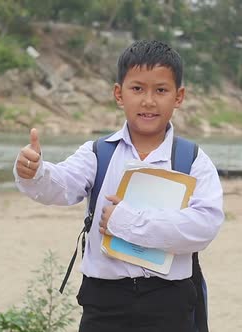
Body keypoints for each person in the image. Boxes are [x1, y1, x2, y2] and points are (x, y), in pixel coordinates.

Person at [14, 40, 224, 332]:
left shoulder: (192, 160)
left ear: (179, 96)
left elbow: (203, 227)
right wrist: (34, 172)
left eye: (161, 90)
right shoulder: (99, 153)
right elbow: (61, 185)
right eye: (137, 89)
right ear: (118, 94)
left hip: (170, 302)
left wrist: (127, 222)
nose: (148, 101)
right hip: (104, 302)